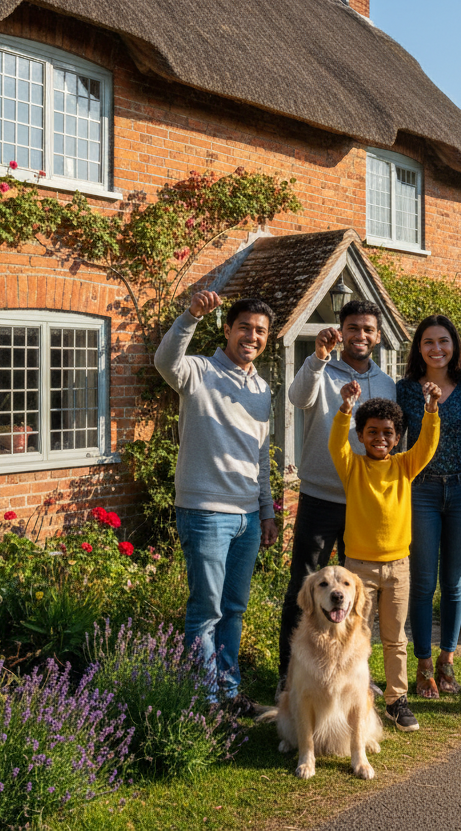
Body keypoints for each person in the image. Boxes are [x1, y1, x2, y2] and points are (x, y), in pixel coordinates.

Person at [154, 290, 279, 714]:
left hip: (246, 516)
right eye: (244, 326)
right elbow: (164, 361)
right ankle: (205, 703)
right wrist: (190, 315)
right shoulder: (199, 371)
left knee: (233, 609)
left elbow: (261, 456)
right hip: (206, 512)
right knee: (205, 611)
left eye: (260, 331)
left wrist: (266, 511)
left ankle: (229, 693)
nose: (252, 336)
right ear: (227, 329)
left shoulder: (262, 388)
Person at [277, 300, 396, 691]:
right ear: (341, 331)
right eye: (353, 328)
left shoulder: (385, 382)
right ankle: (289, 676)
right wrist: (317, 358)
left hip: (364, 502)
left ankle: (354, 674)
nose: (360, 335)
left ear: (377, 337)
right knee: (305, 585)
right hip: (319, 495)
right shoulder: (321, 367)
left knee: (358, 593)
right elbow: (297, 398)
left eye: (368, 329)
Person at [330, 379, 441, 732]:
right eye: (372, 432)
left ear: (397, 438)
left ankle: (396, 700)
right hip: (357, 570)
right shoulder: (352, 467)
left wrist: (431, 410)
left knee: (395, 638)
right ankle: (352, 696)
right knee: (354, 636)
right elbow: (336, 443)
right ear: (360, 435)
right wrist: (345, 409)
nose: (380, 438)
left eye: (388, 433)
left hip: (398, 567)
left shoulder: (404, 466)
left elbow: (426, 446)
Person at [396, 314, 461, 698]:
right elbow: (391, 442)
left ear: (455, 345)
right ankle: (423, 665)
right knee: (423, 582)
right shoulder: (405, 391)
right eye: (428, 341)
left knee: (454, 583)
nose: (437, 348)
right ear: (419, 347)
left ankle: (448, 660)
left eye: (443, 341)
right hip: (422, 492)